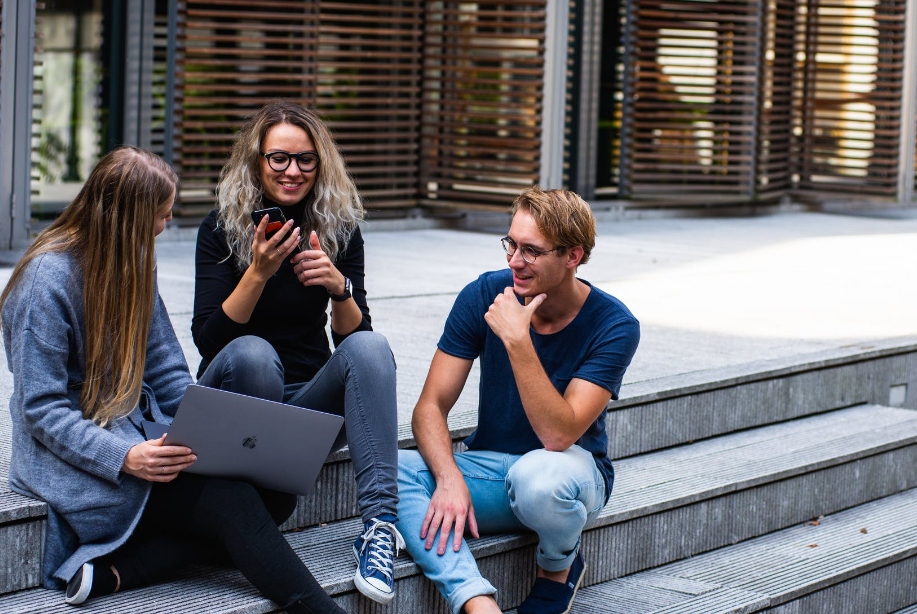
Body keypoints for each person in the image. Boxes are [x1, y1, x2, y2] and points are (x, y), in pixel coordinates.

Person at [0, 147, 349, 613]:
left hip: (141, 438)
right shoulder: (46, 281)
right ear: (127, 218)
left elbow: (166, 370)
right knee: (232, 503)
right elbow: (40, 410)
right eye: (160, 216)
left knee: (277, 497)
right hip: (76, 460)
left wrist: (197, 429)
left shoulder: (135, 261)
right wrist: (124, 456)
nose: (165, 226)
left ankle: (123, 570)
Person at [192, 100, 402, 605]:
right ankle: (248, 509)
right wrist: (258, 272)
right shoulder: (220, 229)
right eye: (278, 158)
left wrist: (339, 288)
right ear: (256, 161)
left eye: (305, 159)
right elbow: (209, 340)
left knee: (372, 348)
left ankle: (378, 529)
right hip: (238, 398)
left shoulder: (339, 228)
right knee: (254, 355)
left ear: (321, 162)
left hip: (305, 409)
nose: (292, 171)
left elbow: (355, 344)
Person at [395, 187, 641, 614]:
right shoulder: (485, 293)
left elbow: (558, 434)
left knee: (538, 478)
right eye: (511, 244)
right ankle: (474, 599)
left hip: (568, 476)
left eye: (531, 251)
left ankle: (556, 570)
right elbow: (430, 406)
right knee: (390, 469)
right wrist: (450, 478)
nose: (513, 261)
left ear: (573, 256)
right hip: (491, 467)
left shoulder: (614, 324)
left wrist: (517, 339)